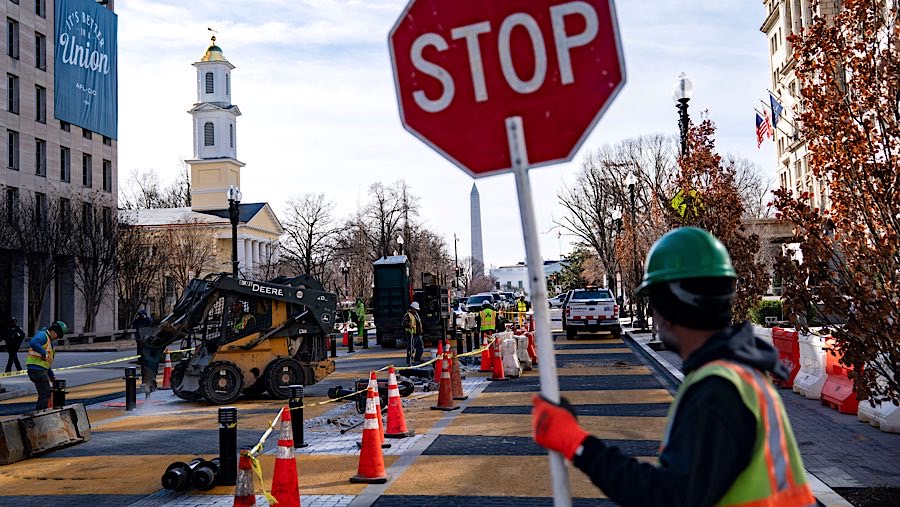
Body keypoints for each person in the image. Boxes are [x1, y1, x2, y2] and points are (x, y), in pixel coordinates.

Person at [532, 227, 815, 506]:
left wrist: (577, 444)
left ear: (673, 306)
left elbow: (667, 497)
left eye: (655, 302)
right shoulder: (740, 373)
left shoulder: (717, 390)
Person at [26, 320, 68, 411]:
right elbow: (33, 343)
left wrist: (52, 377)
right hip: (37, 370)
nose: (57, 338)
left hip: (39, 370)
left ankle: (40, 412)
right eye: (58, 335)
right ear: (54, 331)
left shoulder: (48, 342)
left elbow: (47, 363)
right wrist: (44, 352)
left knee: (44, 393)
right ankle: (39, 415)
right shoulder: (43, 335)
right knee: (45, 393)